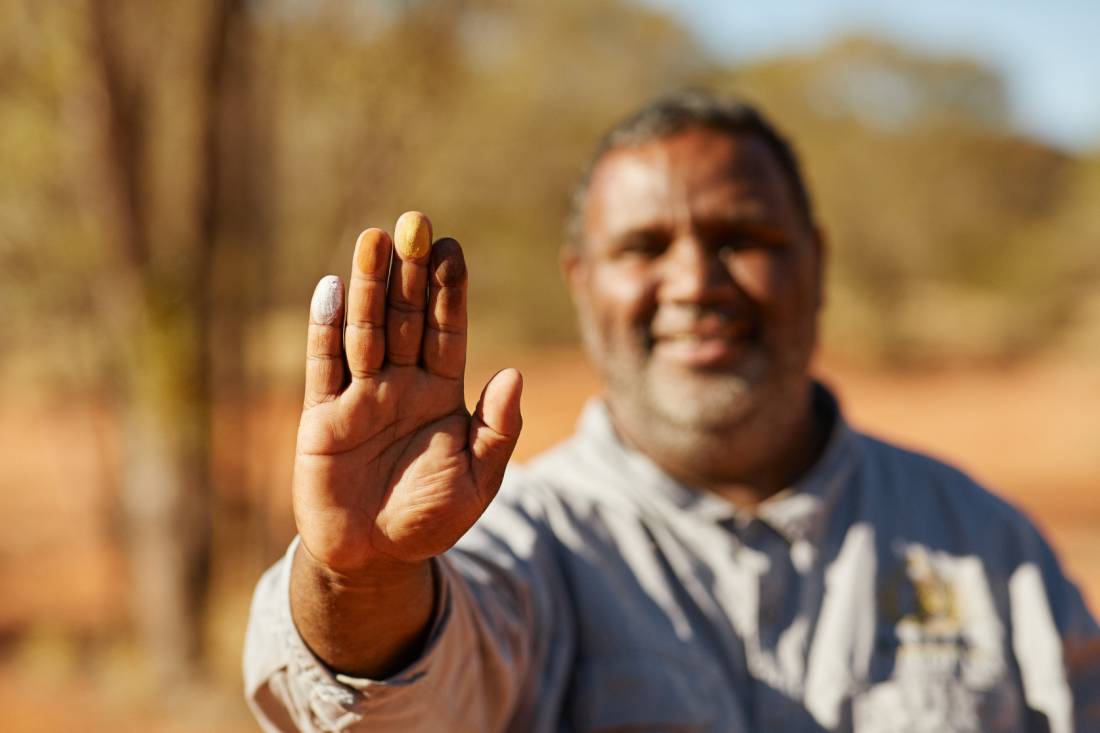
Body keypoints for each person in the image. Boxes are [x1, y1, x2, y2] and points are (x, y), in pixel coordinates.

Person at [243, 91, 1100, 732]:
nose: (695, 283)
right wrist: (366, 577)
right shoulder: (524, 539)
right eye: (643, 247)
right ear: (582, 283)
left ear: (816, 261)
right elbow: (402, 708)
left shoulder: (986, 544)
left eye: (742, 239)